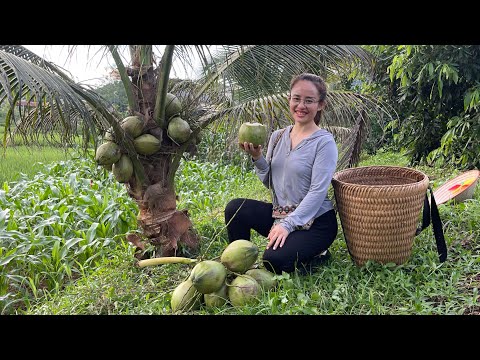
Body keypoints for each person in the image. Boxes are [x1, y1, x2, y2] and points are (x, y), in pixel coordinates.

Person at [224, 73, 338, 274]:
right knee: (235, 208)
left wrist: (288, 225)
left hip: (317, 223)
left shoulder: (324, 143)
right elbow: (270, 182)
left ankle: (319, 253)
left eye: (309, 100)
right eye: (296, 98)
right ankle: (238, 263)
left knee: (272, 260)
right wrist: (258, 157)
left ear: (320, 105)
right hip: (282, 213)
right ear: (289, 100)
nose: (301, 105)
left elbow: (318, 192)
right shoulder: (277, 137)